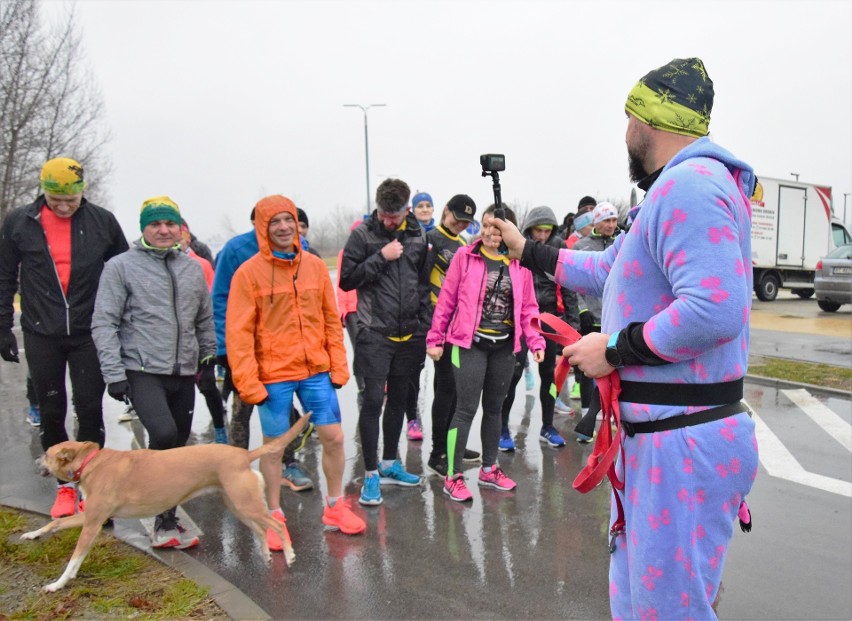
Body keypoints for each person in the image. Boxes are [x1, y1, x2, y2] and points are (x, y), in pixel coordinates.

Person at [492, 57, 757, 620]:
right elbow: (605, 269)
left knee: (667, 613)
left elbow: (715, 309)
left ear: (647, 122)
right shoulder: (669, 193)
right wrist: (524, 248)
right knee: (640, 605)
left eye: (628, 119)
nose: (625, 134)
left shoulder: (690, 185)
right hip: (663, 439)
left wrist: (612, 350)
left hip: (681, 441)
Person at [226, 195, 365, 543]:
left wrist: (338, 362)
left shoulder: (315, 266)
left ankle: (334, 505)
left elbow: (331, 319)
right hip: (273, 376)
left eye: (289, 220)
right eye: (275, 222)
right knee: (274, 448)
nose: (285, 227)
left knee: (333, 438)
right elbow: (238, 333)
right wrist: (248, 381)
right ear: (263, 228)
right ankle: (273, 517)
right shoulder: (248, 274)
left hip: (316, 370)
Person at [0, 157, 128, 519]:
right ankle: (65, 488)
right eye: (55, 198)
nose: (63, 205)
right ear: (43, 191)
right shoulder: (20, 222)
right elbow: (5, 275)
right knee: (53, 410)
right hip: (42, 332)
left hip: (89, 332)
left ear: (81, 191)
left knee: (89, 409)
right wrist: (3, 326)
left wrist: (124, 330)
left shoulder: (102, 222)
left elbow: (124, 276)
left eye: (70, 199)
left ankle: (92, 487)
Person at [92, 196, 216, 549]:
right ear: (143, 228)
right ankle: (158, 513)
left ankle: (167, 514)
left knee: (177, 445)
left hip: (183, 371)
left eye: (170, 224)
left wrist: (208, 361)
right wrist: (114, 373)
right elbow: (104, 322)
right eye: (155, 224)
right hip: (142, 369)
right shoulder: (120, 267)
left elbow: (204, 320)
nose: (163, 231)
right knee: (162, 434)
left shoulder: (192, 268)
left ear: (180, 228)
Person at [426, 204, 545, 503]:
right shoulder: (465, 257)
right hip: (468, 345)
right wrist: (435, 338)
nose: (492, 232)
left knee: (495, 408)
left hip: (504, 348)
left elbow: (529, 308)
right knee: (465, 409)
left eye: (498, 227)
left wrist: (536, 342)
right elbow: (446, 302)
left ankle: (489, 468)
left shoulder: (520, 264)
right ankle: (453, 476)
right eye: (487, 225)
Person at [339, 178, 429, 506]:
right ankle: (371, 474)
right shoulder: (363, 235)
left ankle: (391, 463)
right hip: (374, 332)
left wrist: (425, 326)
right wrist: (382, 256)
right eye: (385, 215)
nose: (389, 221)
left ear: (407, 209)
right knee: (373, 400)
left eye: (395, 215)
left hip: (409, 334)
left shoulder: (418, 235)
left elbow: (422, 285)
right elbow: (347, 279)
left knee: (399, 400)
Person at [211, 207, 314, 491]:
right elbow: (220, 298)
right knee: (242, 409)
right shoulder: (236, 249)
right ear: (256, 223)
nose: (278, 226)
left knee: (286, 411)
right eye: (269, 220)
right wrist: (224, 346)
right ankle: (235, 469)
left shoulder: (297, 248)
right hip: (246, 348)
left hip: (286, 351)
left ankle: (288, 464)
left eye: (285, 220)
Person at [499, 206, 579, 451]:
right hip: (523, 320)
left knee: (550, 376)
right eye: (538, 230)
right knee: (511, 377)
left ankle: (548, 425)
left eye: (547, 231)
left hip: (551, 319)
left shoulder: (559, 247)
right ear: (529, 229)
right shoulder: (518, 247)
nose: (542, 236)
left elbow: (569, 288)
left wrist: (572, 325)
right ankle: (502, 429)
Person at [423, 194, 479, 476]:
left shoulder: (463, 243)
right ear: (446, 211)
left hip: (460, 327)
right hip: (437, 324)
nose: (460, 224)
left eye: (465, 222)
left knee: (458, 388)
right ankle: (437, 452)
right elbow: (421, 282)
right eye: (456, 218)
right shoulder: (430, 238)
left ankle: (452, 444)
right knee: (444, 388)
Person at [571, 200, 622, 440]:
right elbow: (572, 283)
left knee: (613, 370)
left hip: (614, 317)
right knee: (587, 371)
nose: (611, 225)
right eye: (606, 220)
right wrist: (581, 310)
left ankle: (610, 417)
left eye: (614, 220)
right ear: (596, 222)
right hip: (589, 317)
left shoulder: (622, 244)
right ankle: (586, 419)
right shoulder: (582, 246)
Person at [179, 220, 227, 444]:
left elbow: (211, 303)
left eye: (180, 233)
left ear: (188, 237)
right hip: (171, 345)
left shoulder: (201, 265)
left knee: (208, 386)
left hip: (199, 339)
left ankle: (220, 430)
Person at [405, 191, 436, 441]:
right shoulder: (408, 234)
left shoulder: (440, 237)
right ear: (413, 209)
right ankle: (412, 418)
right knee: (413, 371)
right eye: (420, 206)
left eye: (428, 205)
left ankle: (443, 425)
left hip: (440, 313)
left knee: (446, 375)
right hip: (415, 312)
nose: (424, 209)